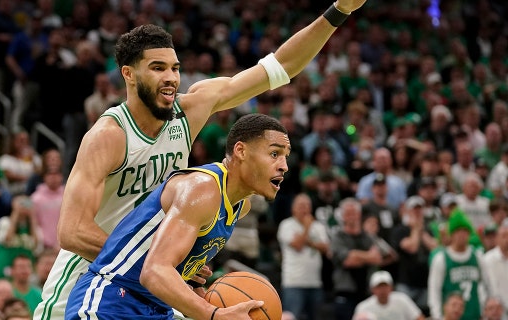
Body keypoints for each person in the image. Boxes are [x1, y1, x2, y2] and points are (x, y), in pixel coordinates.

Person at [37, 1, 368, 318]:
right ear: (129, 74)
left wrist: (339, 10)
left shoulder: (190, 109)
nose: (171, 77)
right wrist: (162, 260)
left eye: (175, 68)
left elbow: (280, 67)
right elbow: (72, 232)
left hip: (149, 282)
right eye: (157, 68)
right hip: (87, 279)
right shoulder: (109, 135)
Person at [63, 113, 289, 319]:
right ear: (241, 151)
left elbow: (169, 258)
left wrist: (189, 275)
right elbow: (155, 271)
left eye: (285, 156)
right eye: (274, 154)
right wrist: (215, 314)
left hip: (156, 308)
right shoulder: (202, 189)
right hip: (112, 299)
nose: (284, 166)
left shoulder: (241, 206)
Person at [428, 210, 492, 320]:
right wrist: (437, 315)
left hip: (474, 313)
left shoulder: (477, 256)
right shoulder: (441, 258)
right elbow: (434, 290)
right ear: (451, 234)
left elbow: (488, 284)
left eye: (464, 232)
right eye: (457, 232)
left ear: (469, 233)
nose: (461, 235)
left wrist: (486, 310)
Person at [277, 193, 329, 320]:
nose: (305, 209)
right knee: (291, 316)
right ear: (293, 208)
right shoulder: (286, 225)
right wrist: (306, 227)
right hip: (293, 282)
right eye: (301, 206)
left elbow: (326, 248)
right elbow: (297, 245)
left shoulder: (318, 226)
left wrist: (307, 241)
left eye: (307, 206)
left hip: (314, 282)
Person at [354, 271, 424, 320]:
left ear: (391, 287)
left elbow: (419, 317)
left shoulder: (402, 299)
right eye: (379, 287)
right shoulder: (363, 307)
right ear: (372, 289)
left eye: (385, 286)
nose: (382, 290)